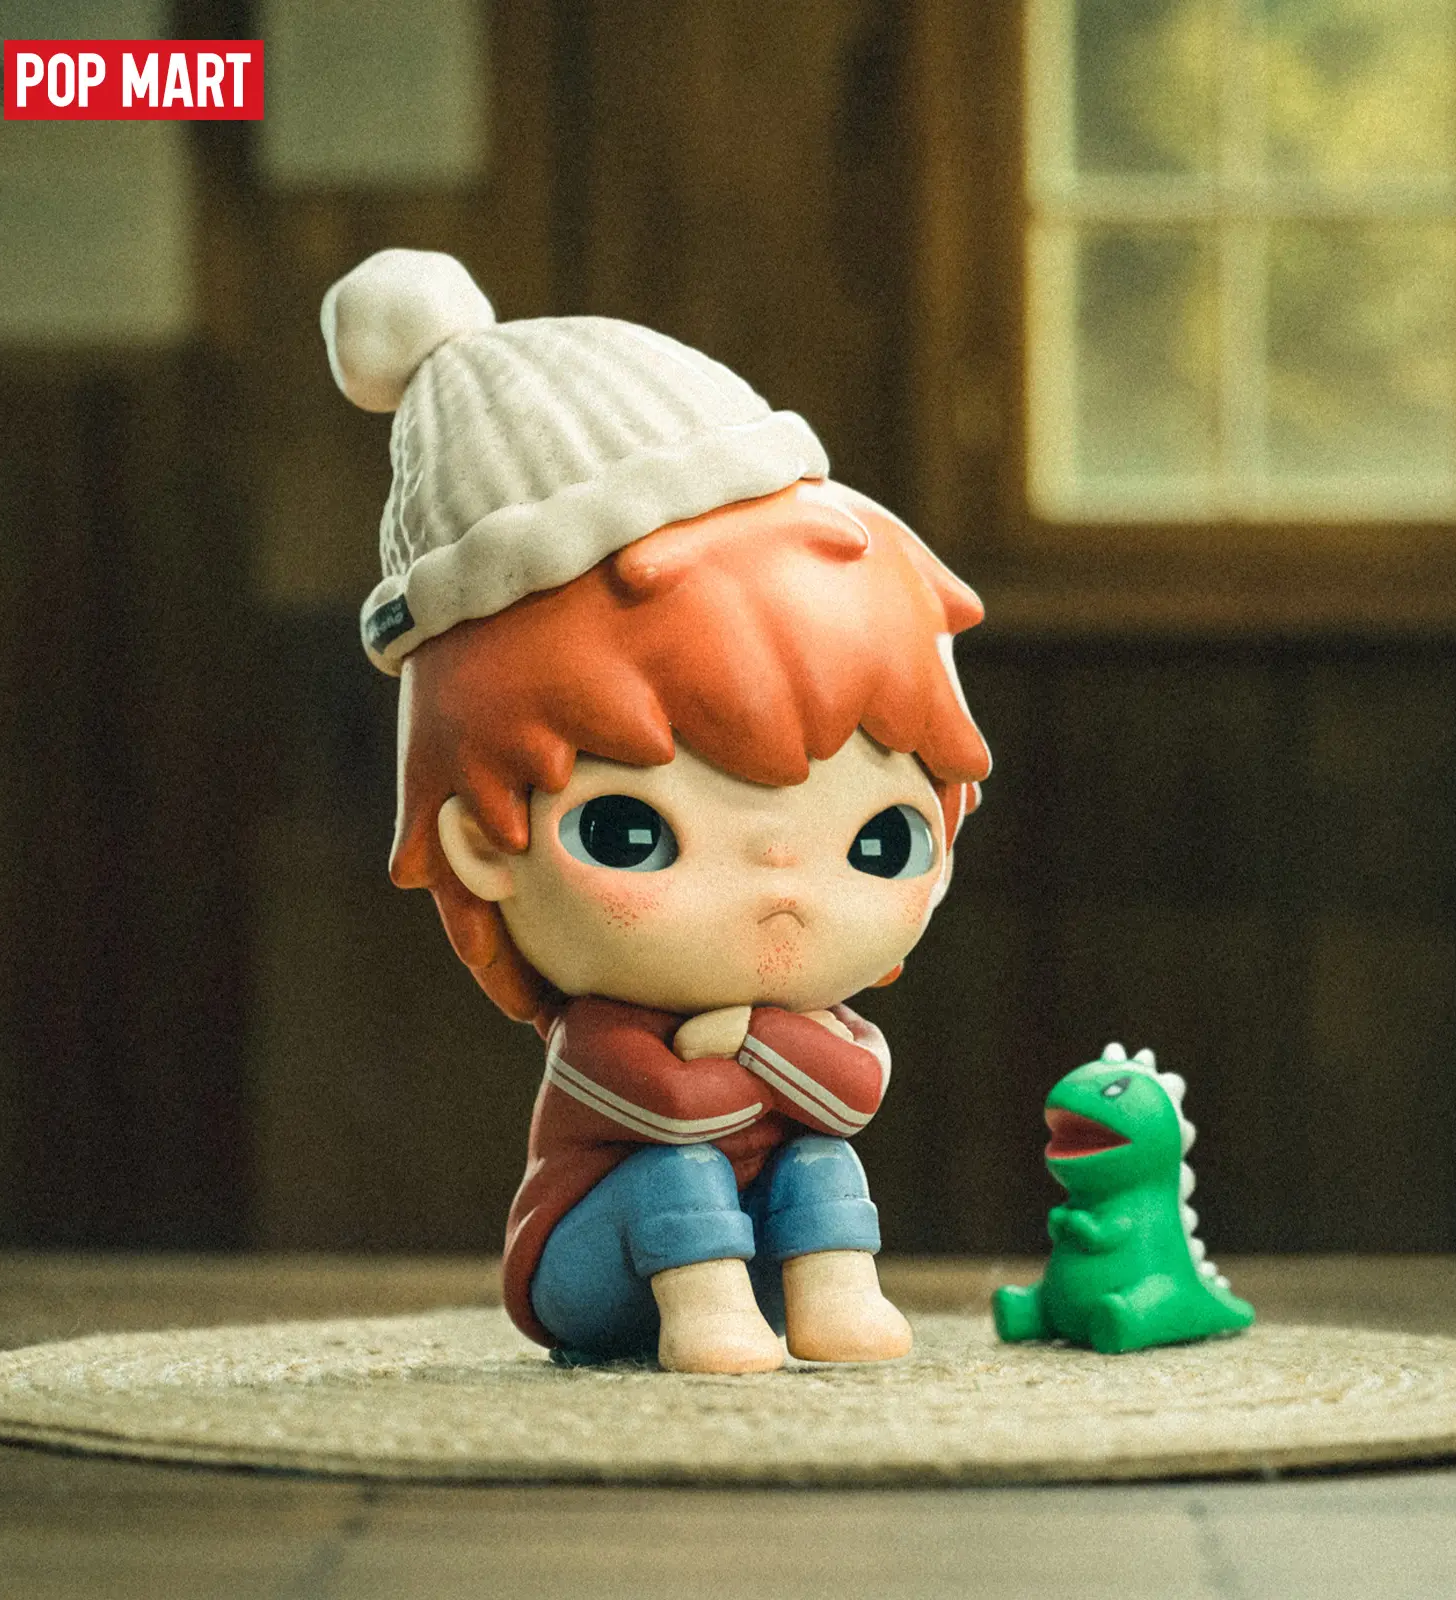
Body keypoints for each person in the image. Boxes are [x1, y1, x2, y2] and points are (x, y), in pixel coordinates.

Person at [322, 250, 992, 1372]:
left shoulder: (789, 1021)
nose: (782, 886)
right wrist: (768, 1050)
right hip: (588, 1265)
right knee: (676, 1172)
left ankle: (832, 1304)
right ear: (482, 841)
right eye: (632, 834)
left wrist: (746, 1040)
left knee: (821, 1162)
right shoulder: (600, 1034)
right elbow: (677, 1109)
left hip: (765, 1251)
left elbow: (855, 1096)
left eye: (881, 842)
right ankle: (708, 1318)